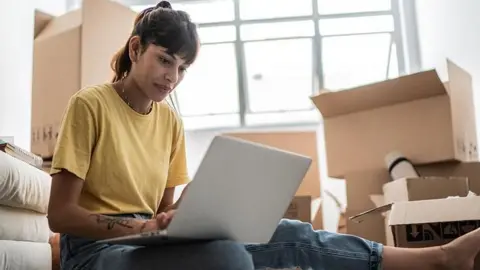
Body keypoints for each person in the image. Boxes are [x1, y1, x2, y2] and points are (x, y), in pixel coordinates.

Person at [47, 1, 480, 270]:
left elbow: (161, 214)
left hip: (144, 247)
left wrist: (192, 208)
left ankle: (436, 258)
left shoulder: (169, 123)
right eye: (164, 60)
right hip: (91, 254)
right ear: (137, 48)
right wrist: (142, 226)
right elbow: (60, 216)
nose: (172, 77)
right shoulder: (90, 105)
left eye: (182, 68)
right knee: (228, 259)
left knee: (291, 233)